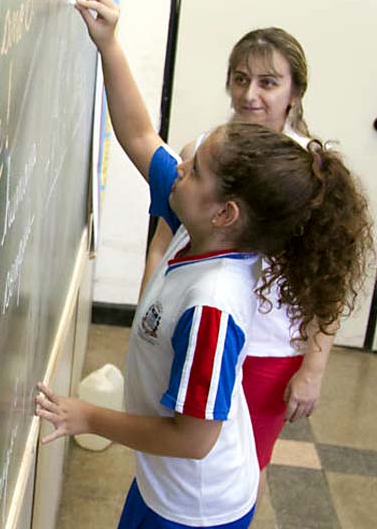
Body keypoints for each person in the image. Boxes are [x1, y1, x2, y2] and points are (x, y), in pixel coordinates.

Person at [34, 0, 372, 529]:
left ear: (224, 212)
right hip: (164, 487)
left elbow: (194, 439)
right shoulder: (202, 229)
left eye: (191, 171)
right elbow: (141, 136)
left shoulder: (213, 308)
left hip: (196, 508)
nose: (177, 171)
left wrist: (87, 417)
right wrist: (109, 45)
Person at [141, 28, 332, 479]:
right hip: (197, 332)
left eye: (268, 82)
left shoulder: (310, 170)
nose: (250, 95)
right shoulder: (205, 151)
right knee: (171, 457)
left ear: (295, 93)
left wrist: (314, 368)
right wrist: (150, 317)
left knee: (244, 469)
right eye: (241, 78)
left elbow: (329, 279)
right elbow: (163, 244)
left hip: (268, 350)